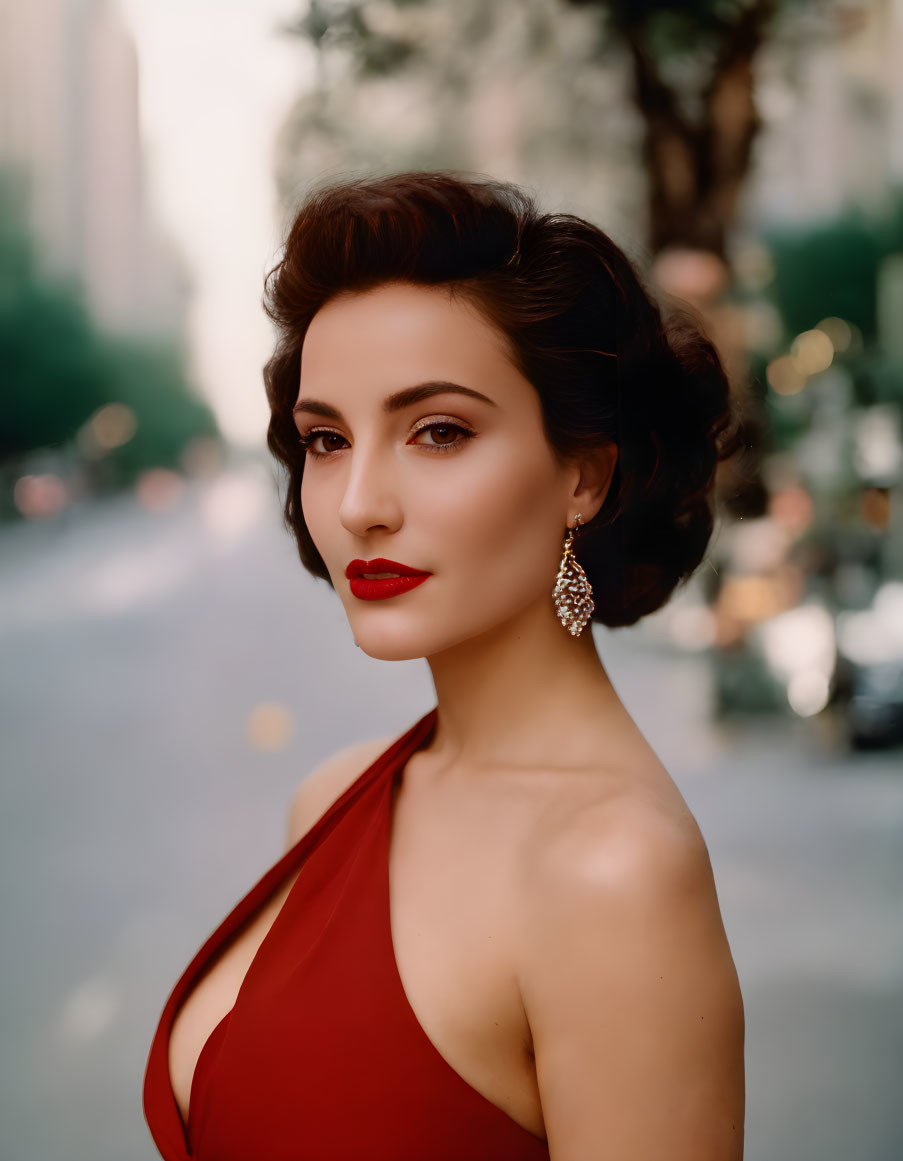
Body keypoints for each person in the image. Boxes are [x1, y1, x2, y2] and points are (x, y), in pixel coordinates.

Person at [143, 170, 746, 1160]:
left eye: (438, 431)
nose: (358, 502)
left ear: (582, 475)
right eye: (326, 439)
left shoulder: (614, 874)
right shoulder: (336, 797)